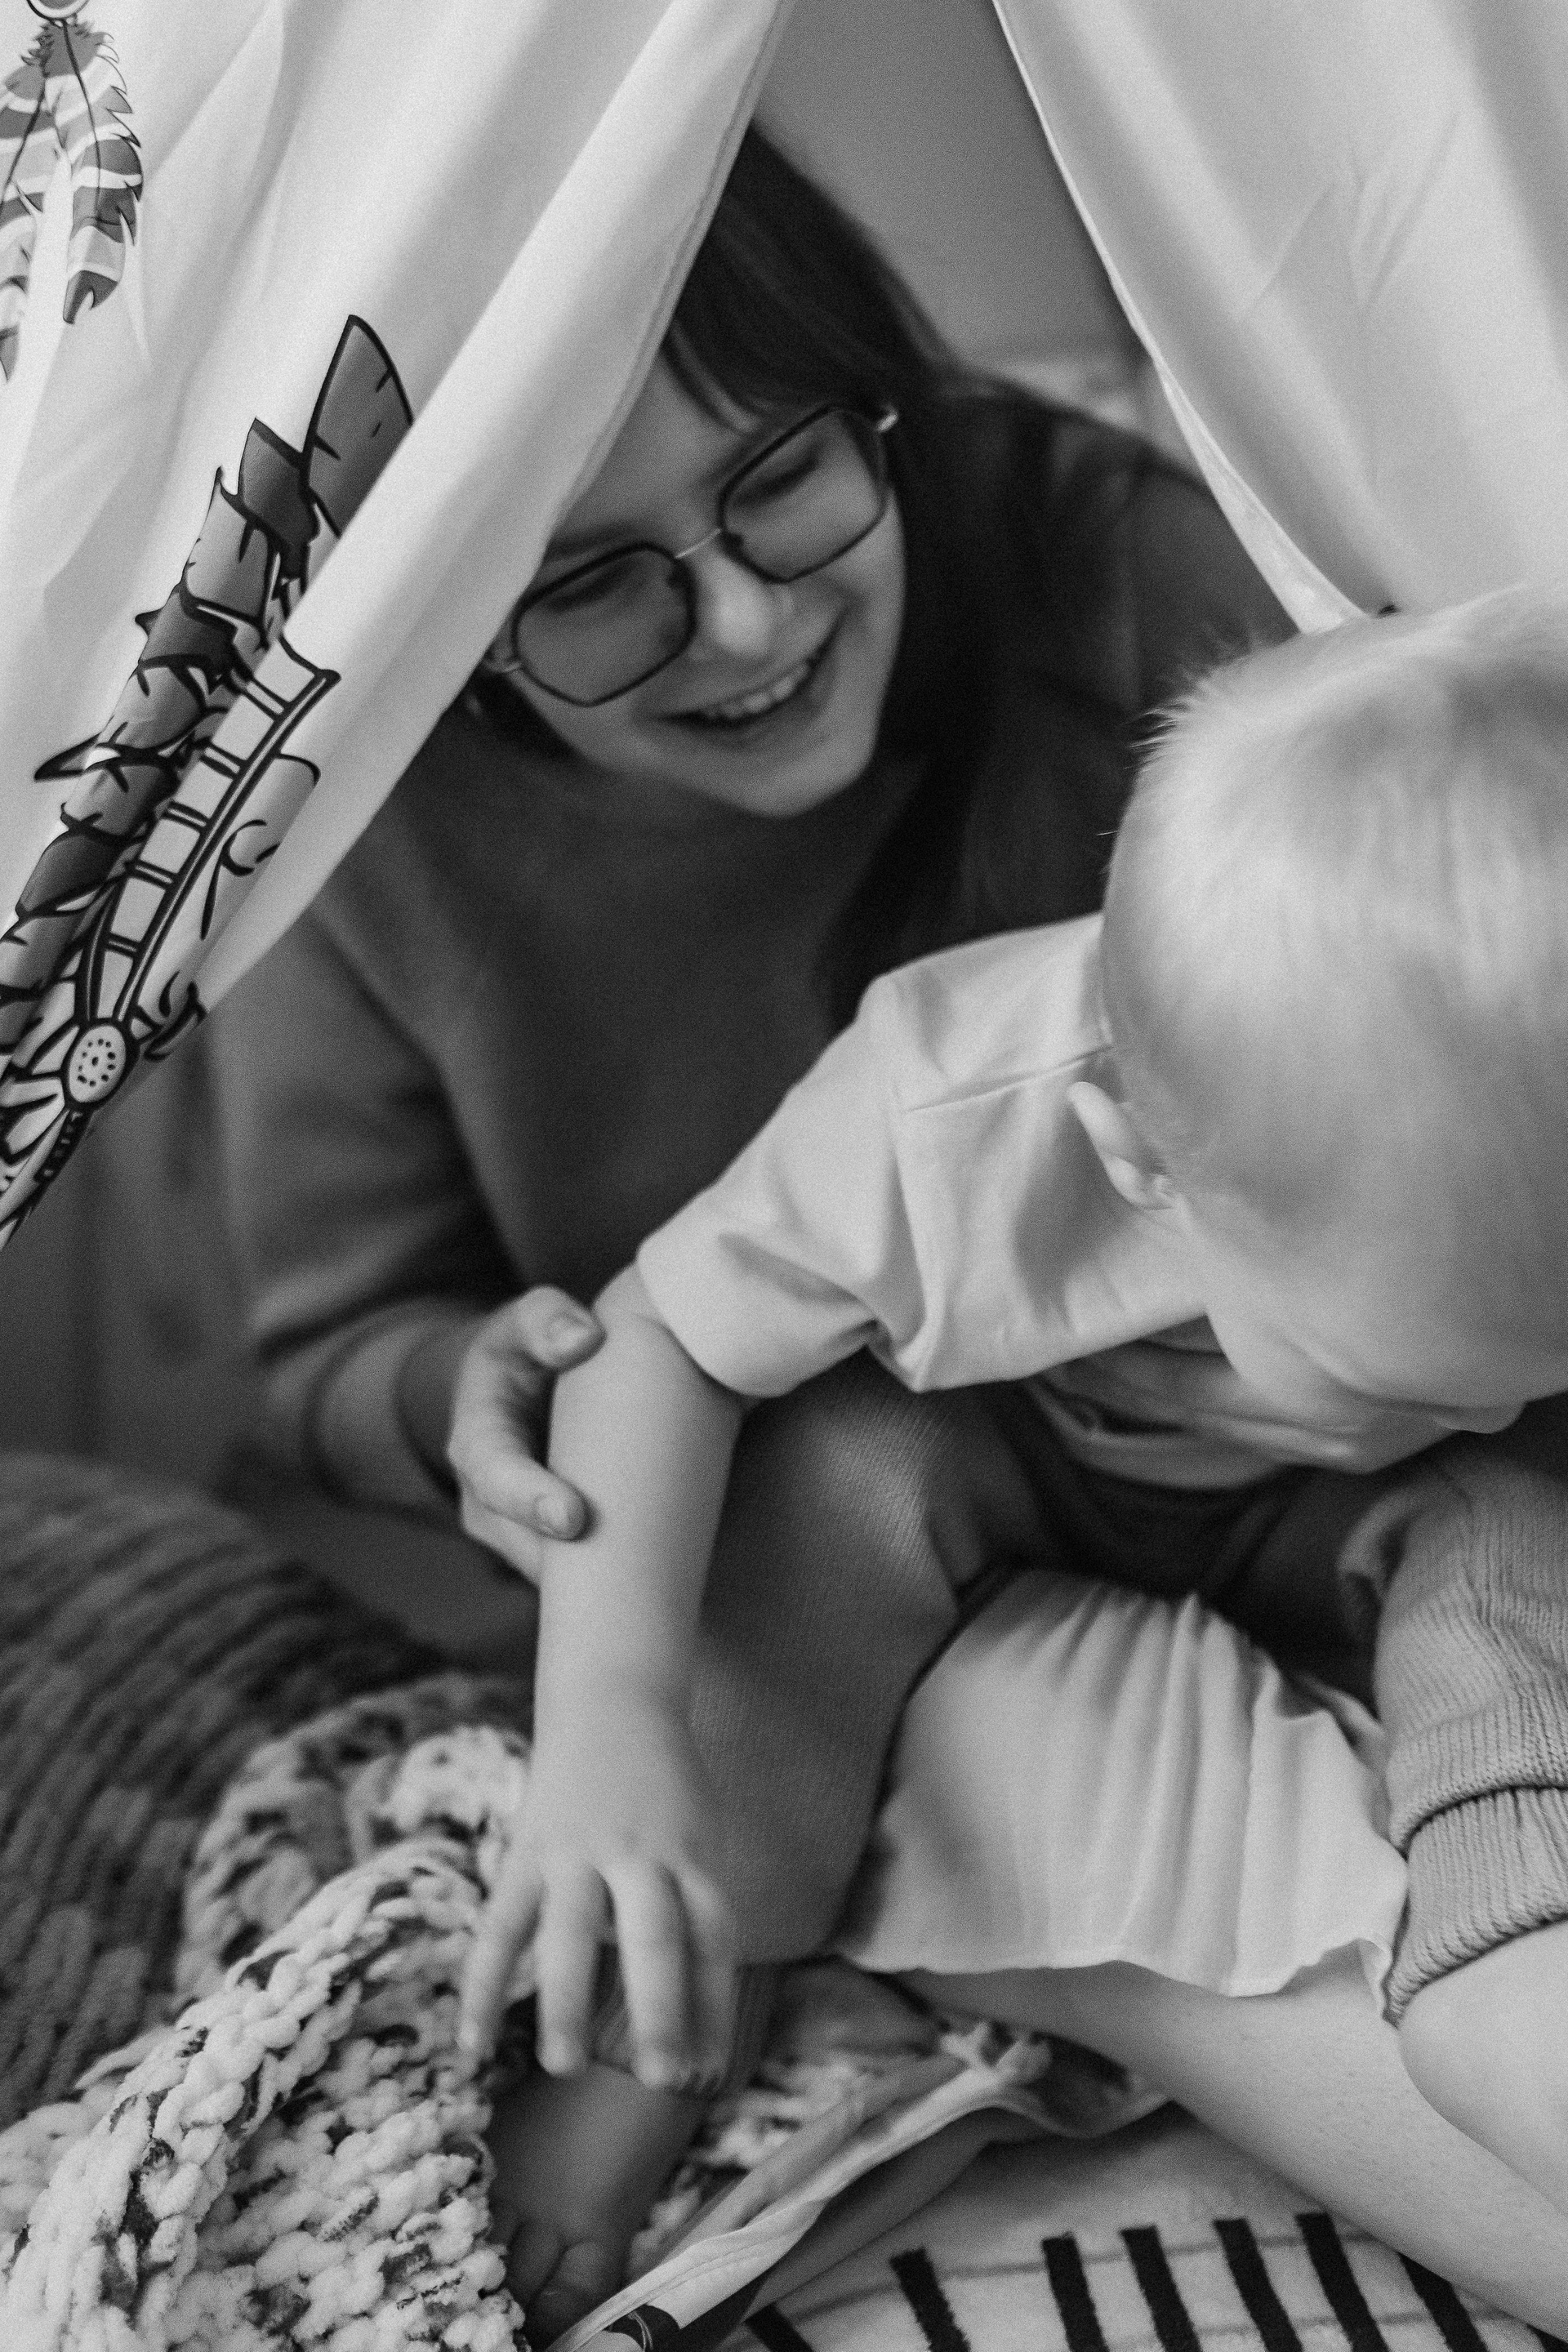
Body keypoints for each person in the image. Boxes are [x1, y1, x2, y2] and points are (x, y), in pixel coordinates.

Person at [212, 122, 1306, 2338]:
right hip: (822, 1506)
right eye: (592, 584)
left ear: (879, 408)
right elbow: (328, 1353)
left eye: (783, 478)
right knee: (792, 1519)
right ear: (447, 631)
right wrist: (460, 1391)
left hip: (1281, 1419)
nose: (743, 619)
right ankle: (611, 2103)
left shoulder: (1112, 571)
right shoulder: (363, 838)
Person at [458, 588, 1568, 2329]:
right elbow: (659, 1335)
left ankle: (1512, 1954)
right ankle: (665, 2020)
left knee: (1514, 1537)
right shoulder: (955, 1109)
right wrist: (610, 1723)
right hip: (998, 1458)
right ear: (1142, 1168)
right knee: (814, 1509)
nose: (1481, 1401)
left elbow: (1487, 1423)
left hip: (1339, 1521)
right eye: (1410, 1369)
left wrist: (1444, 1408)